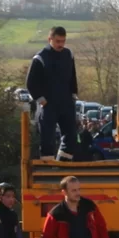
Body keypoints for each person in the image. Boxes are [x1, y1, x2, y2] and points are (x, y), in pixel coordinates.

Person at [26, 26, 79, 161]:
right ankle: (48, 169)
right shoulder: (40, 58)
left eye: (63, 41)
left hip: (66, 102)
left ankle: (62, 166)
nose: (61, 44)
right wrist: (41, 100)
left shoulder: (69, 54)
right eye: (58, 41)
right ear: (50, 39)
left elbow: (72, 76)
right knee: (47, 139)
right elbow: (30, 83)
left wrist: (73, 94)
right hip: (48, 104)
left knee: (71, 136)